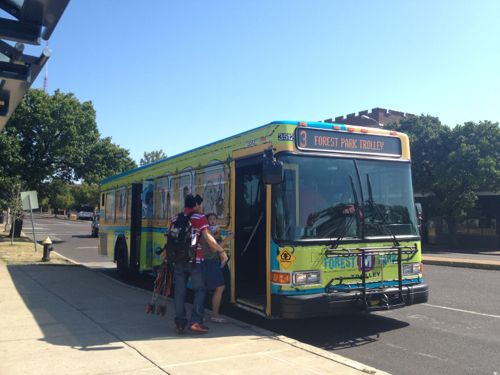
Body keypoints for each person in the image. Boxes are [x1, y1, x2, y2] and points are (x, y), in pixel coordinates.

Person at [170, 194, 228, 335]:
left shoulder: (175, 218)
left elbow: (170, 238)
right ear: (196, 204)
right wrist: (221, 251)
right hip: (194, 261)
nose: (202, 207)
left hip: (178, 260)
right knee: (200, 289)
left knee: (179, 292)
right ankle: (195, 321)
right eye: (201, 204)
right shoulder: (199, 217)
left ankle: (179, 323)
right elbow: (207, 237)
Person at [201, 213, 232, 323]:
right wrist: (228, 239)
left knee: (206, 288)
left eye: (215, 219)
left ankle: (202, 314)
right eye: (210, 219)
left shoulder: (212, 231)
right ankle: (213, 314)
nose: (213, 221)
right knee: (219, 287)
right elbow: (215, 249)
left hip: (210, 262)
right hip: (210, 261)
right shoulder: (208, 232)